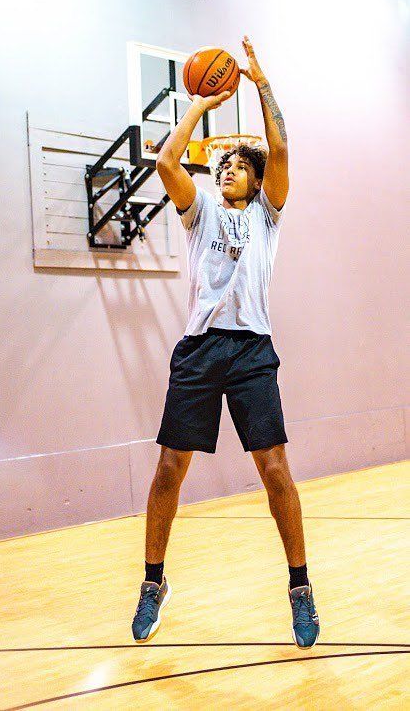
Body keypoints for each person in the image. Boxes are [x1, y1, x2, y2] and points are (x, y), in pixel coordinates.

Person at [131, 36, 319, 649]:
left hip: (251, 351)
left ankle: (300, 588)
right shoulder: (202, 211)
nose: (228, 167)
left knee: (275, 471)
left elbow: (281, 146)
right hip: (200, 348)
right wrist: (201, 102)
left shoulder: (268, 213)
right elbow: (165, 164)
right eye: (225, 164)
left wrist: (260, 82)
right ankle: (153, 584)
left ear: (259, 181)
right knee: (168, 470)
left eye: (240, 164)